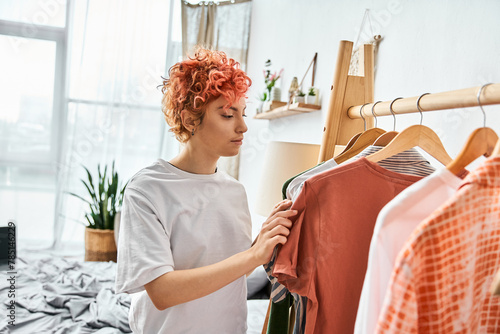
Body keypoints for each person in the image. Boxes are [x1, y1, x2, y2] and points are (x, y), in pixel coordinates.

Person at [115, 48, 296, 333]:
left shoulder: (235, 192)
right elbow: (162, 292)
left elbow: (232, 270)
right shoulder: (147, 190)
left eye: (243, 113)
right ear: (189, 120)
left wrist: (260, 245)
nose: (243, 126)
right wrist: (252, 255)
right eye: (227, 115)